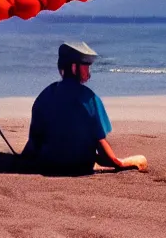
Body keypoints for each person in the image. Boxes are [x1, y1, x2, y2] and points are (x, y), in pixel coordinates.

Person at [21, 41, 147, 176]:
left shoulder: (45, 95)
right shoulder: (89, 99)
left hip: (49, 163)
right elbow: (100, 141)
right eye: (86, 67)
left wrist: (22, 160)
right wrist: (118, 163)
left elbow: (35, 140)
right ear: (74, 67)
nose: (89, 73)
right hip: (80, 165)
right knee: (142, 159)